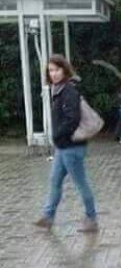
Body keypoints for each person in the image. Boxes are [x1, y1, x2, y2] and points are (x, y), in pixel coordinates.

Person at [34, 54, 98, 232]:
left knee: (81, 184)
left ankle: (92, 218)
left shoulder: (69, 91)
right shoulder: (58, 89)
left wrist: (58, 135)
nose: (53, 73)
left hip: (72, 147)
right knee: (55, 181)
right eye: (50, 70)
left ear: (64, 70)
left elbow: (72, 119)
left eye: (57, 70)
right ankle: (48, 217)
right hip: (63, 147)